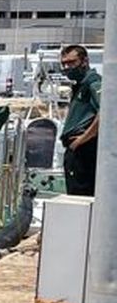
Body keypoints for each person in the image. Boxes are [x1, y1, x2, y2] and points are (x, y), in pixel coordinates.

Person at [61, 43, 101, 196]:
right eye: (64, 64)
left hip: (83, 150)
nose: (67, 68)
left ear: (84, 61)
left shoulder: (92, 82)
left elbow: (105, 112)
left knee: (81, 195)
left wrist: (82, 140)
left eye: (71, 63)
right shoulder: (80, 85)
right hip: (76, 150)